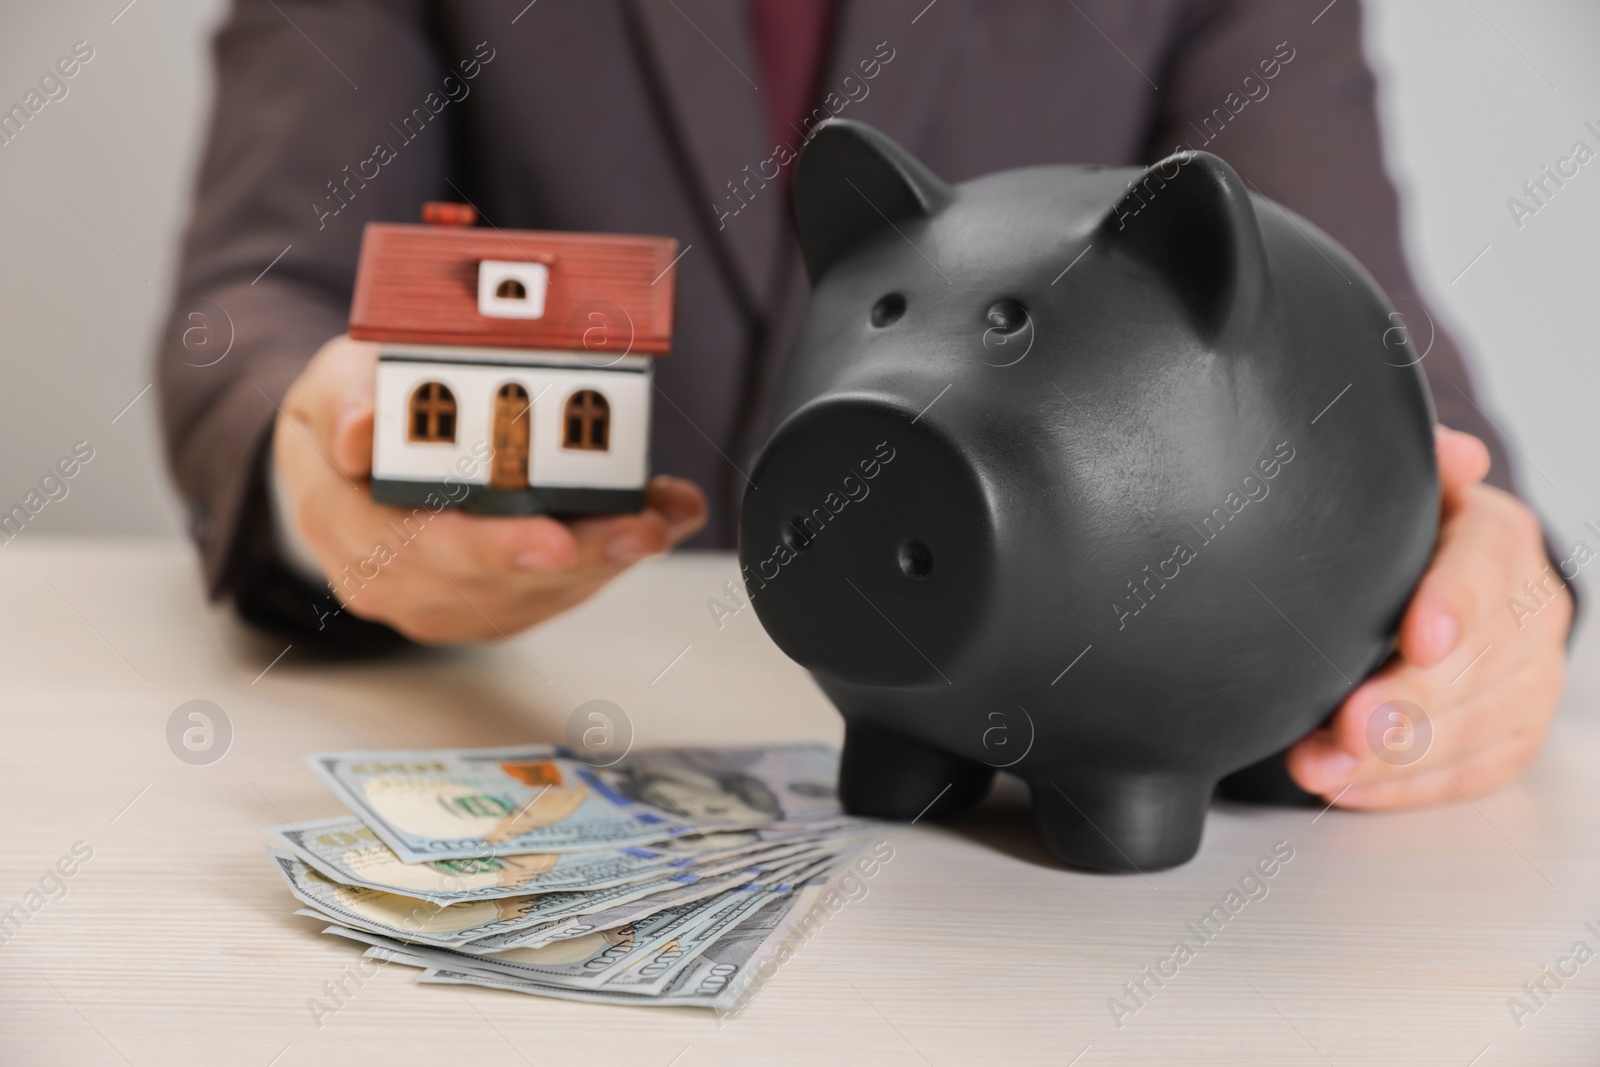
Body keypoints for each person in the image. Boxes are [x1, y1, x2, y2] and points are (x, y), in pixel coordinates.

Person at [158, 0, 1572, 814]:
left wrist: (1474, 564)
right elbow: (262, 296)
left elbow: (1346, 337)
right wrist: (311, 457)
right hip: (555, 672)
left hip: (1069, 731)